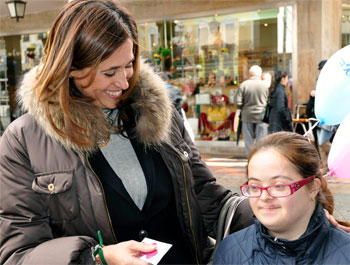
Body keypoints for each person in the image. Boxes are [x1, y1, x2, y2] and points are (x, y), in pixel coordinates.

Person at [0, 1, 255, 264]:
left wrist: (268, 202)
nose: (124, 82)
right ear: (70, 69)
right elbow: (18, 253)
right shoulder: (24, 141)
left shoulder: (158, 114)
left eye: (130, 64)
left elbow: (204, 195)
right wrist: (98, 258)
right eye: (109, 72)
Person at [214, 131, 350, 265]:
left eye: (279, 186)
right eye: (254, 186)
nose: (264, 196)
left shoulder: (344, 253)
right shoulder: (230, 251)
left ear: (313, 187)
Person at [234, 65, 269, 157]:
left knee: (248, 141)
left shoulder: (244, 85)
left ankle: (250, 159)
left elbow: (238, 102)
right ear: (260, 74)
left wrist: (242, 107)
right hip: (262, 116)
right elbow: (269, 100)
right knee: (262, 140)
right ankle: (261, 158)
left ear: (250, 73)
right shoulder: (264, 85)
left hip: (247, 115)